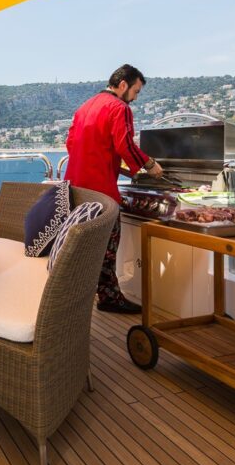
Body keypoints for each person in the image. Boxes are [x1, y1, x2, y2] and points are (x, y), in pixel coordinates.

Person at [64, 64, 163, 314]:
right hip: (100, 192)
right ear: (123, 86)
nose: (135, 98)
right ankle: (109, 298)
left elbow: (71, 144)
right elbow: (124, 144)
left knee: (81, 247)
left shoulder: (85, 106)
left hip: (74, 187)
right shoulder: (119, 108)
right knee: (108, 246)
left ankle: (74, 297)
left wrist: (109, 164)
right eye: (136, 91)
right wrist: (149, 165)